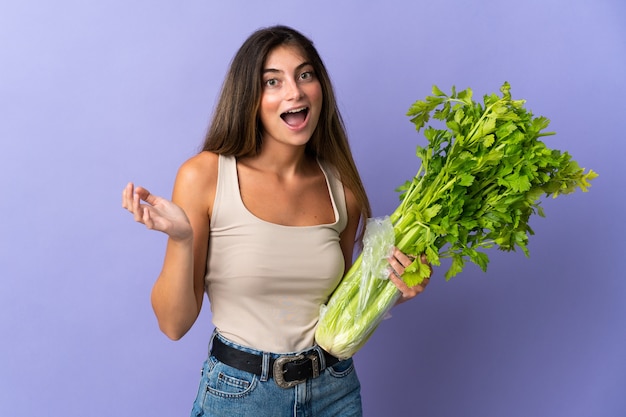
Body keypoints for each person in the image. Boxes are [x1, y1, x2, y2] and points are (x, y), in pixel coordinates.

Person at [122, 25, 431, 417]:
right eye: (273, 81)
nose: (295, 91)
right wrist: (183, 239)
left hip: (334, 391)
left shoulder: (342, 191)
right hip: (241, 395)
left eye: (305, 75)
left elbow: (337, 305)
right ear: (249, 98)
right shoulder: (205, 177)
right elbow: (173, 324)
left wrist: (393, 290)